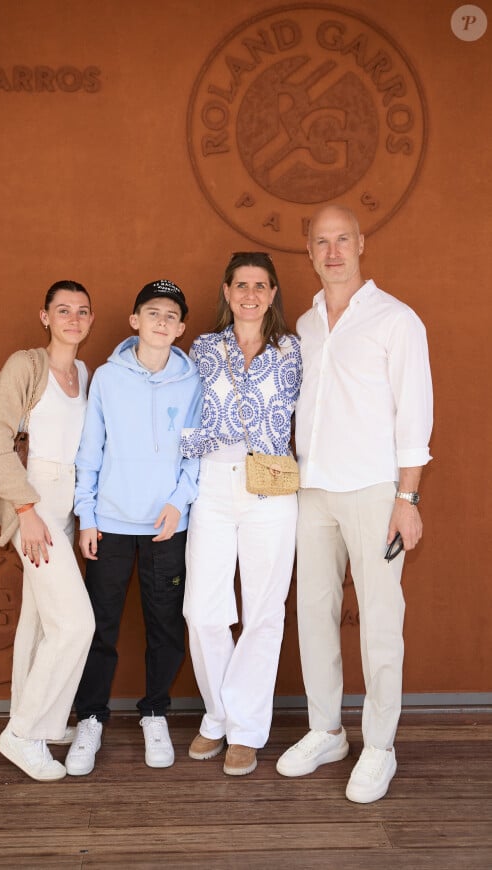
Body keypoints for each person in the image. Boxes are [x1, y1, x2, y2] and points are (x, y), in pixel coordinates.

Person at [276, 205, 433, 803]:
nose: (333, 251)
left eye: (343, 239)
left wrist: (407, 498)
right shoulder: (306, 322)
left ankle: (379, 747)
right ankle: (326, 730)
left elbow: (415, 418)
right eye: (322, 242)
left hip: (374, 491)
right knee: (313, 616)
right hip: (312, 492)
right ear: (310, 251)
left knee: (380, 624)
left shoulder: (397, 320)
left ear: (361, 243)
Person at [0, 279, 97, 781]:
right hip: (36, 502)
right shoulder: (27, 366)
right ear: (45, 316)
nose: (74, 318)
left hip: (65, 501)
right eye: (63, 310)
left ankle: (43, 722)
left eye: (83, 311)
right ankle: (22, 734)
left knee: (44, 620)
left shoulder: (84, 372)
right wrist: (26, 509)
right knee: (77, 624)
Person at [65, 279, 201, 775]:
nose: (162, 322)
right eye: (153, 313)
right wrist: (87, 516)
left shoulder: (192, 381)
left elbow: (196, 450)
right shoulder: (107, 377)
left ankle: (155, 712)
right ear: (134, 321)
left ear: (181, 327)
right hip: (111, 522)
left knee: (164, 623)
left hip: (167, 523)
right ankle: (91, 718)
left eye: (171, 316)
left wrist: (180, 503)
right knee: (99, 624)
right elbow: (90, 452)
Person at [181, 252, 302, 776]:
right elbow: (177, 412)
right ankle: (220, 712)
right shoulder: (202, 349)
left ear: (273, 293)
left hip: (273, 484)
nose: (250, 294)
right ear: (226, 292)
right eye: (241, 285)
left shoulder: (294, 350)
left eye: (260, 285)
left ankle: (245, 730)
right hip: (212, 480)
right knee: (202, 609)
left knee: (264, 611)